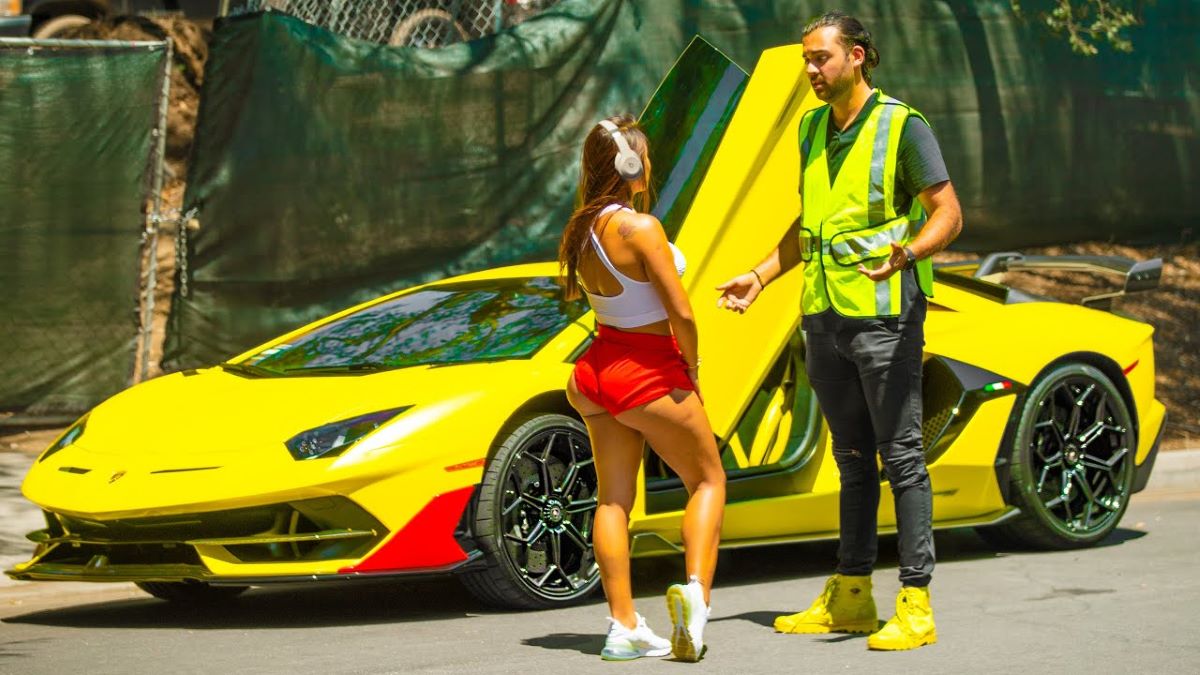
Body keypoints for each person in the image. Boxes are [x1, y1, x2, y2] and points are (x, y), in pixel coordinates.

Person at [716, 12, 963, 651]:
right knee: (851, 461)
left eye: (820, 58)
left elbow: (948, 213)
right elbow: (813, 225)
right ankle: (852, 593)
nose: (810, 70)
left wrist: (909, 254)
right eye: (805, 59)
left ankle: (916, 602)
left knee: (901, 455)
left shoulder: (904, 128)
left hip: (886, 315)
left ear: (857, 56)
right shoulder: (810, 129)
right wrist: (760, 275)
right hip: (823, 315)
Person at [560, 114, 726, 662]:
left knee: (613, 499)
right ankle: (696, 601)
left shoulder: (581, 229)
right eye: (645, 156)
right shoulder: (640, 227)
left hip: (595, 374)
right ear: (631, 166)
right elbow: (681, 311)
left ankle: (623, 626)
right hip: (647, 371)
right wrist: (693, 368)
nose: (649, 164)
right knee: (706, 480)